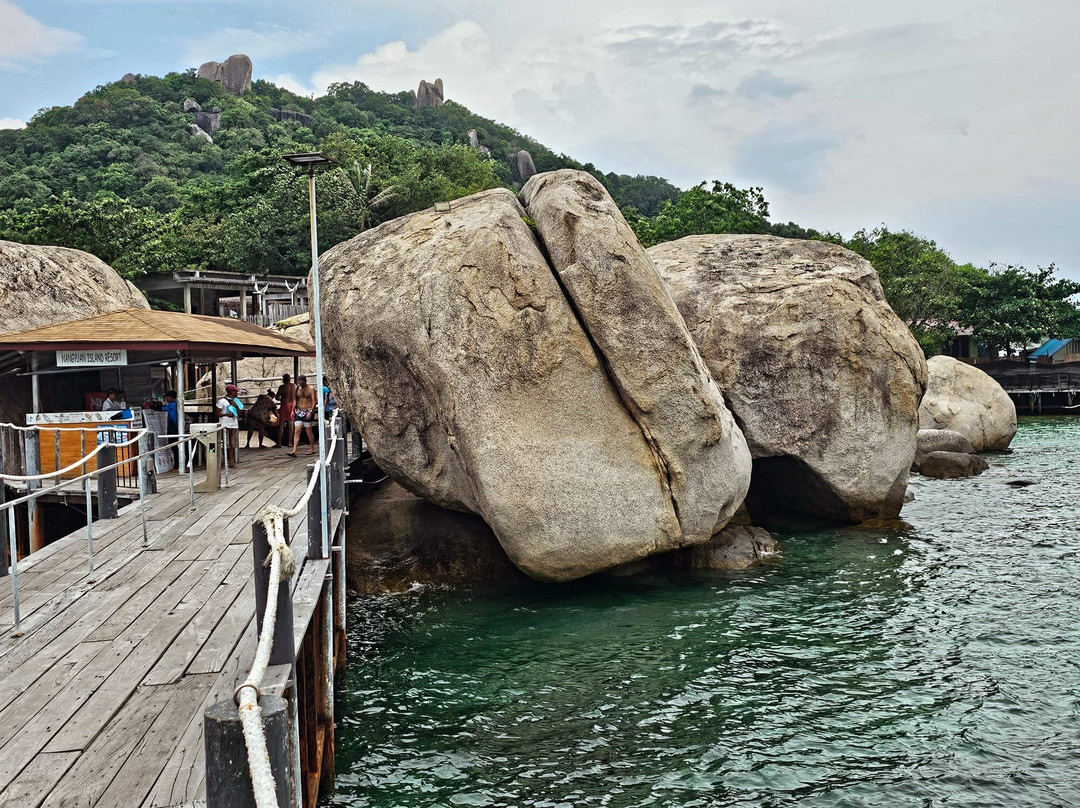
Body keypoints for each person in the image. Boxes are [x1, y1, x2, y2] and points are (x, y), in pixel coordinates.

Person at [288, 375, 317, 457]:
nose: (301, 384)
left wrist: (310, 411)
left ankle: (311, 448)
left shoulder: (311, 389)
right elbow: (294, 399)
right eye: (299, 382)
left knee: (308, 431)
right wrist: (292, 410)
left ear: (305, 381)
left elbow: (314, 401)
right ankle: (294, 450)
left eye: (302, 382)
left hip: (308, 410)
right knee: (297, 430)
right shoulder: (297, 388)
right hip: (299, 411)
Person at [216, 383, 244, 467]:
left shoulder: (236, 401)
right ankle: (223, 460)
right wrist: (226, 415)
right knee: (225, 443)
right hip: (225, 424)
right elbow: (217, 413)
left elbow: (240, 413)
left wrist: (236, 407)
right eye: (234, 391)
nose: (236, 392)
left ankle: (231, 462)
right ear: (230, 391)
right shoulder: (222, 401)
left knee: (232, 444)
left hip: (234, 424)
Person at [275, 373, 297, 448]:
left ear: (284, 380)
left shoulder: (282, 387)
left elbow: (277, 397)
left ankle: (279, 443)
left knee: (281, 425)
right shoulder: (294, 386)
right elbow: (295, 398)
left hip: (284, 405)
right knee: (291, 425)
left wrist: (281, 399)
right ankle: (290, 442)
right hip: (292, 406)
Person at [163, 389, 180, 471]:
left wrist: (153, 406)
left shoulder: (172, 405)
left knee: (174, 448)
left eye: (167, 397)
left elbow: (163, 408)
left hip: (174, 429)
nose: (167, 399)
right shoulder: (175, 405)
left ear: (171, 398)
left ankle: (176, 466)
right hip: (174, 428)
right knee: (175, 448)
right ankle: (176, 466)